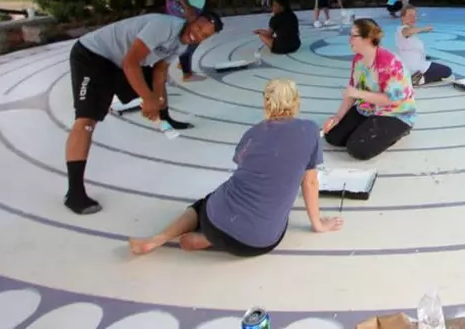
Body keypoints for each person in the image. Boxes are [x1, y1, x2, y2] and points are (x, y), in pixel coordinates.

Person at [128, 78, 343, 256]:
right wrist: (318, 224)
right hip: (261, 243)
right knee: (266, 218)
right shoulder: (310, 130)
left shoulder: (253, 134)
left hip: (215, 221)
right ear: (296, 101)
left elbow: (241, 161)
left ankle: (161, 238)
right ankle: (209, 241)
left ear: (266, 103)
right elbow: (311, 181)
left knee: (202, 204)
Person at [65, 11, 223, 215]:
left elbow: (159, 70)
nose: (198, 35)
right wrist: (147, 99)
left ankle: (161, 115)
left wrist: (156, 101)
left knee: (151, 87)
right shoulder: (163, 26)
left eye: (205, 35)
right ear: (192, 20)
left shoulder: (182, 44)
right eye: (199, 28)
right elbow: (130, 63)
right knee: (86, 120)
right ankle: (74, 193)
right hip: (92, 56)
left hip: (117, 63)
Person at [323, 18, 416, 160]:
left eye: (354, 36)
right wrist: (337, 117)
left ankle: (400, 131)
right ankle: (366, 126)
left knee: (358, 149)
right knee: (332, 136)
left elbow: (389, 100)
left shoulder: (389, 62)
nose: (349, 40)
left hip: (395, 113)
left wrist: (358, 93)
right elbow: (351, 92)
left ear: (368, 39)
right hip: (367, 108)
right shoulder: (358, 59)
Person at [396, 5, 452, 86]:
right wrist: (424, 28)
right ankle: (419, 79)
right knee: (447, 71)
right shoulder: (402, 29)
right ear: (402, 17)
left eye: (415, 16)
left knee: (439, 69)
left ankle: (417, 77)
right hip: (414, 66)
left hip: (413, 64)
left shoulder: (408, 31)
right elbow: (408, 31)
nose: (413, 18)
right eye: (410, 15)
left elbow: (411, 33)